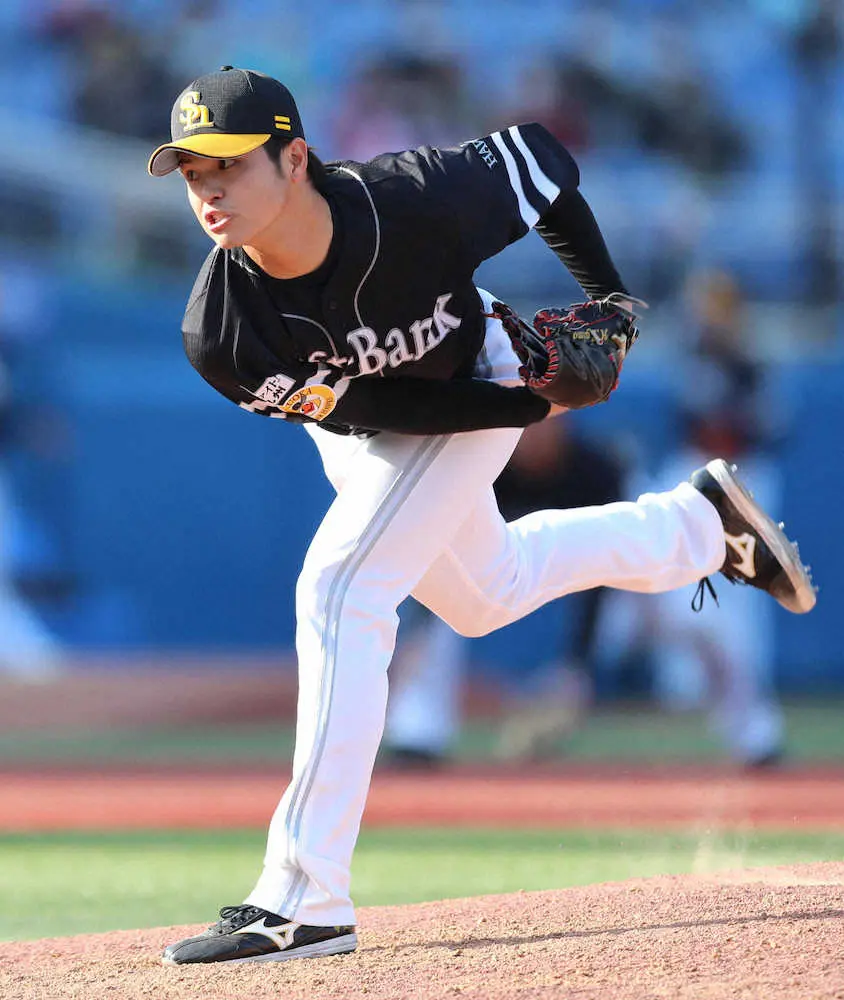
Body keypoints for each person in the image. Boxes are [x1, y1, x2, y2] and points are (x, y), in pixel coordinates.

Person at [147, 66, 816, 966]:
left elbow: (544, 162)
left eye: (227, 163)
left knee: (340, 589)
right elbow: (381, 409)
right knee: (485, 593)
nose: (208, 189)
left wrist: (612, 302)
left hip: (479, 363)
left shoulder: (410, 199)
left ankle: (303, 898)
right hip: (385, 418)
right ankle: (700, 527)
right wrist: (531, 411)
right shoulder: (222, 332)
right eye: (192, 172)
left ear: (294, 157)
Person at [384, 416, 627, 766]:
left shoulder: (595, 471)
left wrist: (577, 665)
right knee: (434, 623)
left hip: (587, 574)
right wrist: (416, 635)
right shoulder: (483, 464)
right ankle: (418, 731)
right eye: (529, 423)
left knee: (663, 609)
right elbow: (440, 555)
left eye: (547, 421)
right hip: (492, 559)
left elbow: (605, 576)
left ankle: (715, 720)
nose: (537, 433)